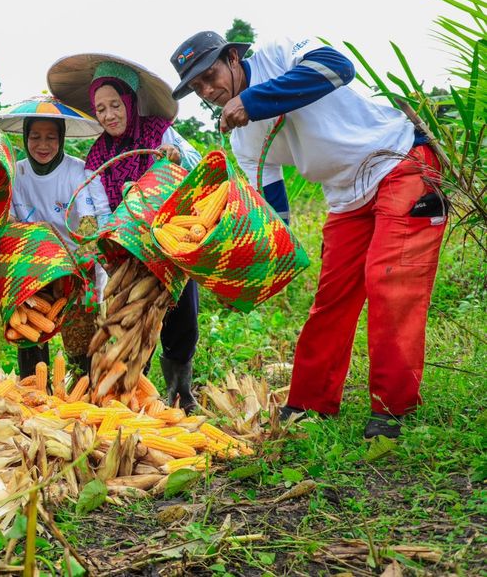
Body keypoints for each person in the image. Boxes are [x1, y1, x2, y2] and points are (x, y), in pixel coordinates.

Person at [170, 31, 447, 439]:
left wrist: (252, 100)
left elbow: (338, 68)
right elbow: (272, 210)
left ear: (233, 57)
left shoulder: (280, 54)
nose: (209, 91)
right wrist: (245, 257)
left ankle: (391, 406)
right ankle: (310, 401)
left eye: (211, 76)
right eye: (197, 88)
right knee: (332, 297)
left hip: (399, 161)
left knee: (389, 280)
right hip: (345, 197)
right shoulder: (242, 137)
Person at [48, 55, 203, 411]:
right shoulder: (99, 153)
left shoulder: (158, 131)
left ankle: (182, 392)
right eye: (100, 109)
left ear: (130, 102)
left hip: (171, 240)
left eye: (115, 105)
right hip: (128, 248)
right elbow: (99, 208)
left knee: (181, 318)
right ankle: (135, 390)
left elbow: (193, 164)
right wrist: (114, 239)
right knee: (131, 317)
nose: (108, 115)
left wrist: (174, 156)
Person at [6, 114, 112, 378]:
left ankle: (84, 391)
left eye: (51, 138)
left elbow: (88, 227)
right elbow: (7, 220)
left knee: (82, 344)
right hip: (32, 262)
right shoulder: (14, 172)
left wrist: (67, 264)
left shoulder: (77, 171)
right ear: (25, 138)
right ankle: (34, 390)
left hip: (74, 262)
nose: (43, 145)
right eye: (35, 137)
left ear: (61, 139)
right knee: (30, 332)